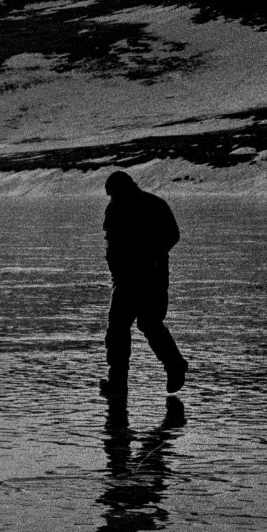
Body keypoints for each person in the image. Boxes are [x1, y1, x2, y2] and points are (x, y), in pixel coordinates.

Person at [100, 169, 187, 398]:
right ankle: (172, 366)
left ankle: (119, 383)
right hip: (143, 276)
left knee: (124, 328)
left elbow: (171, 236)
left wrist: (149, 256)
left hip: (138, 277)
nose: (111, 198)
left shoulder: (122, 207)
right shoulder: (154, 204)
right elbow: (172, 236)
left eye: (112, 194)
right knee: (145, 324)